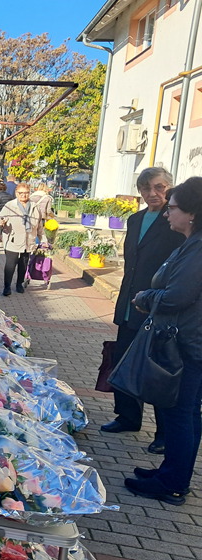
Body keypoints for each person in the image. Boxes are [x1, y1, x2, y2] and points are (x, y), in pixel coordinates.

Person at [125, 176, 202, 506]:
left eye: (173, 208)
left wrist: (146, 296)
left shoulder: (198, 249)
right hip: (188, 340)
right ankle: (172, 473)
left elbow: (177, 296)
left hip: (187, 345)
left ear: (192, 213)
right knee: (186, 413)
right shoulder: (191, 243)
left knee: (180, 413)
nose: (168, 213)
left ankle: (172, 483)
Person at [102, 167, 185, 452]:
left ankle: (164, 433)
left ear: (170, 188)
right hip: (130, 304)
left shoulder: (174, 222)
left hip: (157, 306)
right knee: (124, 361)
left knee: (157, 370)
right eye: (146, 188)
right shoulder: (135, 219)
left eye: (159, 187)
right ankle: (127, 417)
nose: (153, 193)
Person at [0, 184, 44, 296]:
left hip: (28, 240)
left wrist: (43, 239)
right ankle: (7, 286)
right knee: (10, 264)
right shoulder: (10, 205)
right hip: (12, 239)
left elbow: (40, 226)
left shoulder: (35, 207)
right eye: (21, 193)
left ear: (29, 193)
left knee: (23, 264)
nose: (23, 195)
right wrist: (0, 223)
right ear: (16, 193)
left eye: (26, 192)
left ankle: (19, 284)